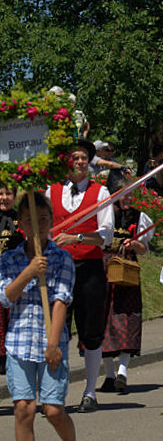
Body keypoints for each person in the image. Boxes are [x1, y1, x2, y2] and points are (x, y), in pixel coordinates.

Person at [0, 193, 76, 441]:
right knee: (24, 408)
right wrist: (29, 271)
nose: (37, 225)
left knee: (53, 411)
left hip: (50, 341)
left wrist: (53, 344)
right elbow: (6, 297)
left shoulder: (62, 258)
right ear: (20, 224)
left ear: (52, 221)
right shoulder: (9, 259)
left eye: (43, 219)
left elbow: (60, 301)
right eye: (30, 220)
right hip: (19, 342)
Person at [47, 139, 114, 413]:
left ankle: (89, 392)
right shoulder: (49, 191)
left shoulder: (101, 192)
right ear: (67, 161)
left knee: (91, 332)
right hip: (56, 271)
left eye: (84, 157)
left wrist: (75, 237)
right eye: (75, 157)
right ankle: (55, 393)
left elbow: (106, 235)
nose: (79, 161)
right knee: (56, 331)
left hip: (89, 270)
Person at [96, 178, 154, 395]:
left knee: (126, 319)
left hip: (127, 272)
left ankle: (122, 372)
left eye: (130, 194)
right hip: (103, 270)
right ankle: (109, 376)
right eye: (124, 194)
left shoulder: (139, 217)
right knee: (104, 321)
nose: (128, 198)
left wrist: (136, 245)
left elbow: (144, 249)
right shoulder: (102, 215)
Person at [0, 184, 25, 375]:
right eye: (0, 194)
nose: (4, 197)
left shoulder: (21, 219)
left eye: (8, 193)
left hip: (15, 279)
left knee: (13, 320)